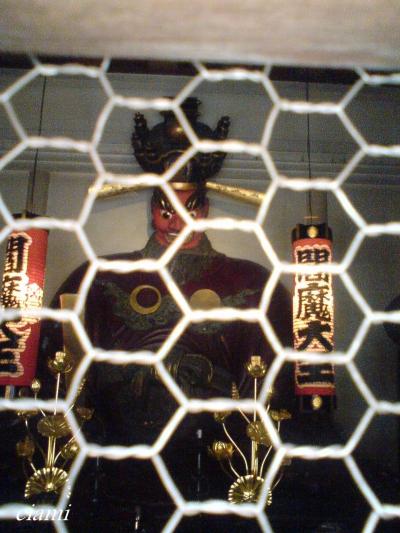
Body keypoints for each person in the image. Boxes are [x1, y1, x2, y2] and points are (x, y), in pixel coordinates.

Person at [39, 100, 293, 530]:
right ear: (151, 209)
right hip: (115, 455)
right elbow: (64, 363)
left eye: (190, 209)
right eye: (166, 209)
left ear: (206, 210)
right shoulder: (99, 277)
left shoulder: (251, 281)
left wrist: (206, 375)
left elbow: (272, 377)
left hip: (213, 459)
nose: (176, 224)